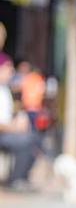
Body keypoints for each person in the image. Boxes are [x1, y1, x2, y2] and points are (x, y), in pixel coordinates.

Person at [0, 59, 40, 192]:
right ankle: (16, 180)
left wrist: (19, 119)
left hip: (8, 130)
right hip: (3, 133)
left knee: (35, 138)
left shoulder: (5, 89)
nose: (11, 72)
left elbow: (8, 114)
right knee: (25, 140)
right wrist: (14, 127)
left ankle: (23, 177)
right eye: (8, 69)